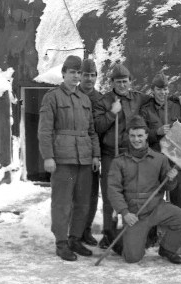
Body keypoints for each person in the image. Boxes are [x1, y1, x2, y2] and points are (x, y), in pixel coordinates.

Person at [93, 63, 181, 249]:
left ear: (130, 81)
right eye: (118, 81)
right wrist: (112, 114)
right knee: (111, 195)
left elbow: (159, 96)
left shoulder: (138, 98)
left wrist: (178, 98)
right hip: (110, 154)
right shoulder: (104, 102)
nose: (122, 85)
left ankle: (133, 233)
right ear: (112, 82)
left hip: (132, 153)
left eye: (125, 81)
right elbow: (97, 127)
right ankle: (109, 235)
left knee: (136, 195)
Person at [38, 55, 100, 261]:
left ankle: (75, 238)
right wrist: (48, 156)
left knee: (83, 203)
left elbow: (91, 131)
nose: (76, 76)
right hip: (63, 160)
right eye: (72, 72)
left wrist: (95, 155)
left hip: (84, 159)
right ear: (63, 73)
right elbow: (45, 130)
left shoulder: (84, 99)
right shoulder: (52, 97)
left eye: (78, 72)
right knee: (62, 202)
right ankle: (61, 242)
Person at [107, 115, 181, 264]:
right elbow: (113, 190)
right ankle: (120, 240)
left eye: (140, 135)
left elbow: (167, 186)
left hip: (156, 207)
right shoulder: (119, 161)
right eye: (132, 136)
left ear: (146, 135)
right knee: (132, 258)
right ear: (128, 136)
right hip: (135, 213)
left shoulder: (160, 159)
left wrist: (171, 179)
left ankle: (167, 249)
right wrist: (125, 213)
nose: (136, 139)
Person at [141, 73, 181, 210]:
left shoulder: (177, 107)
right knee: (154, 200)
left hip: (176, 161)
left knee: (179, 200)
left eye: (165, 89)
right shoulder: (146, 110)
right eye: (159, 89)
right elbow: (141, 135)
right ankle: (154, 230)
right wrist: (156, 132)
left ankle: (179, 228)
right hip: (155, 160)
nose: (162, 92)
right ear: (153, 90)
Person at [77, 58, 103, 246]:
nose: (89, 78)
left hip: (93, 153)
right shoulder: (71, 95)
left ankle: (85, 230)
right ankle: (74, 232)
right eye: (86, 74)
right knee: (75, 195)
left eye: (92, 75)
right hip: (74, 152)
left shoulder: (100, 99)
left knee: (92, 195)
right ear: (80, 75)